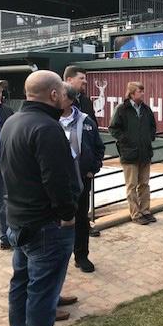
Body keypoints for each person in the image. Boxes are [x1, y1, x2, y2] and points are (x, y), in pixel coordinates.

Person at [1, 70, 84, 326]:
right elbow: (56, 180)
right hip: (45, 225)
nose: (66, 96)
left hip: (19, 220)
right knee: (42, 291)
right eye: (62, 92)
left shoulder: (13, 121)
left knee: (22, 282)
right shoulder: (47, 128)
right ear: (53, 95)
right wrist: (67, 215)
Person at [59, 84, 105, 274]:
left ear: (69, 99)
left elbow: (98, 147)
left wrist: (93, 169)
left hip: (81, 180)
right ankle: (58, 259)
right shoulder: (49, 120)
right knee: (57, 221)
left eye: (60, 95)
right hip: (56, 181)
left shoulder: (86, 121)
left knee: (81, 219)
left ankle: (81, 256)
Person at [109, 82, 157, 225]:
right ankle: (135, 214)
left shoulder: (146, 109)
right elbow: (113, 128)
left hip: (145, 152)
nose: (142, 93)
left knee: (144, 184)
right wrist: (125, 140)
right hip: (129, 154)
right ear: (131, 93)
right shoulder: (122, 109)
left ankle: (145, 211)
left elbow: (152, 126)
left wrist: (149, 138)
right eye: (139, 91)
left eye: (143, 91)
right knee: (132, 185)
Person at [63, 65, 100, 238]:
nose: (85, 81)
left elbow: (95, 136)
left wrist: (94, 166)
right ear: (69, 80)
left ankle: (84, 229)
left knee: (83, 204)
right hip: (62, 171)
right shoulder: (54, 105)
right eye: (81, 78)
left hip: (84, 171)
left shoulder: (85, 102)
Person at [0, 76, 13, 250]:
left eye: (0, 91)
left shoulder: (6, 110)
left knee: (4, 203)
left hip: (0, 163)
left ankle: (5, 238)